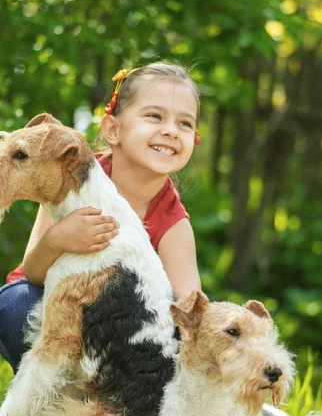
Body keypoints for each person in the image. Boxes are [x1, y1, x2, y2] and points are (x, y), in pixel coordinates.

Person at [0, 62, 202, 373]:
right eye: (154, 116)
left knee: (174, 338)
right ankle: (42, 395)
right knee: (15, 304)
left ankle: (101, 406)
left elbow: (189, 312)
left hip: (117, 337)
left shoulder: (172, 221)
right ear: (113, 129)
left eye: (185, 124)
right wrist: (57, 239)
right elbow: (32, 274)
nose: (171, 130)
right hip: (49, 309)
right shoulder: (68, 171)